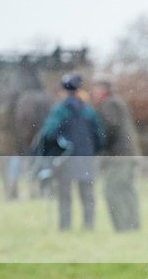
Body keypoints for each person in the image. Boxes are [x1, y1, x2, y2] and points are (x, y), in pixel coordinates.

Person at [37, 74, 105, 230]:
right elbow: (99, 136)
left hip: (65, 159)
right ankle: (89, 226)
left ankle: (65, 227)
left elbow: (48, 133)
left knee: (64, 196)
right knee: (87, 196)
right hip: (86, 158)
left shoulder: (59, 110)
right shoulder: (88, 111)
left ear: (63, 90)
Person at [92, 80, 141, 231]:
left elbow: (109, 128)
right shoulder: (117, 102)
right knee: (127, 190)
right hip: (129, 154)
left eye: (95, 89)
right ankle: (133, 226)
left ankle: (123, 227)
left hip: (119, 156)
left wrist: (97, 143)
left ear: (103, 90)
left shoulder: (109, 104)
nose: (93, 93)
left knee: (112, 190)